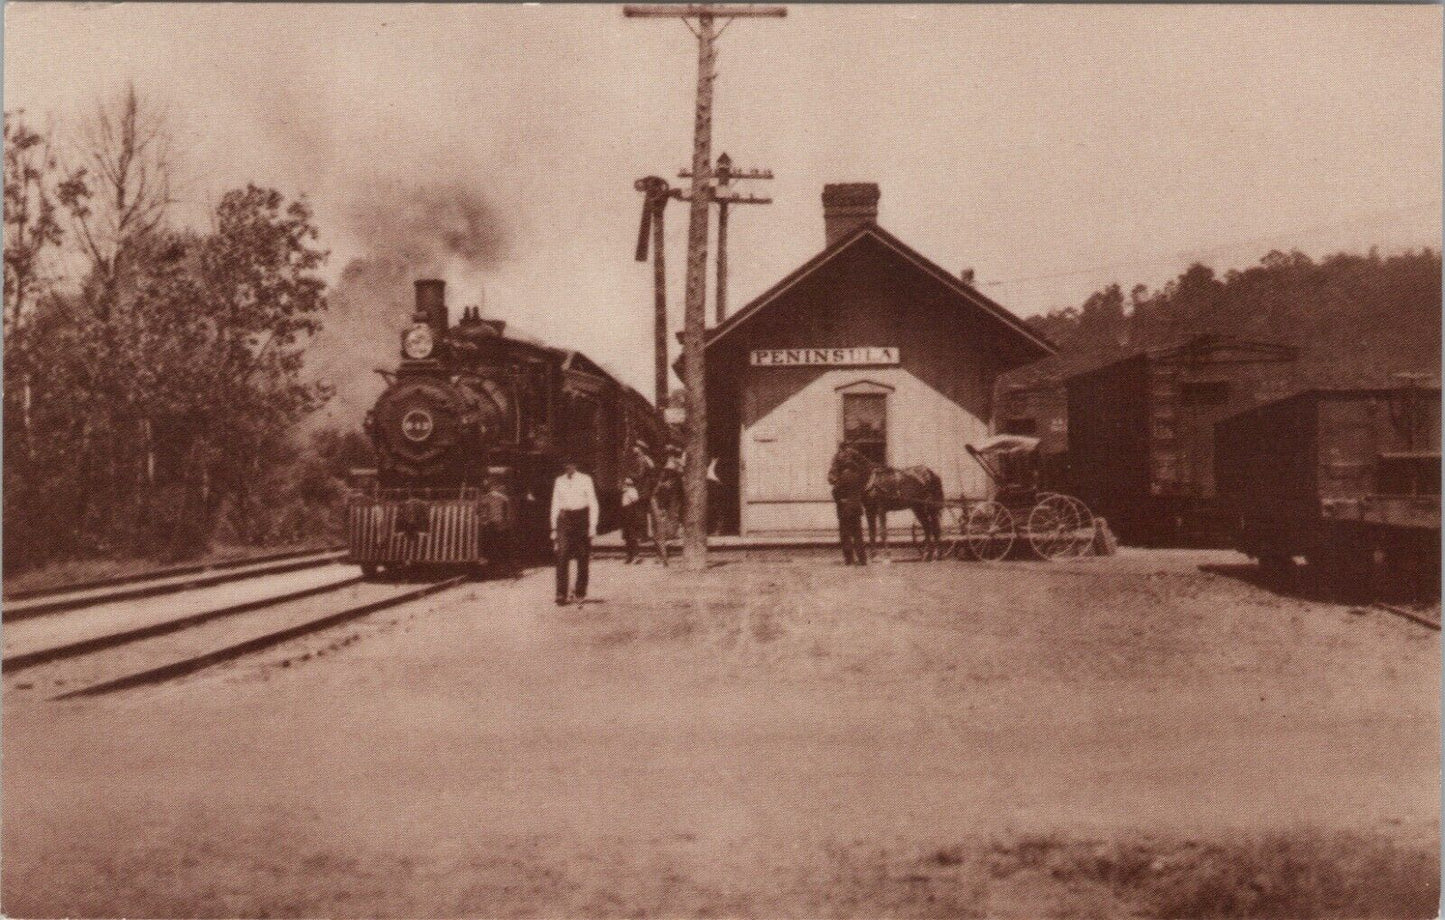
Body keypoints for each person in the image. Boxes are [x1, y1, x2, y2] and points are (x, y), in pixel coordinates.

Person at [550, 458, 599, 604]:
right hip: (564, 519)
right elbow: (555, 503)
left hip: (581, 519)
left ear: (575, 465)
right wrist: (553, 527)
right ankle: (561, 594)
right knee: (562, 555)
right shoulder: (559, 481)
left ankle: (580, 592)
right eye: (565, 464)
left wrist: (592, 526)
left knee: (582, 557)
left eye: (570, 464)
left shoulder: (585, 479)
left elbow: (593, 503)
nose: (568, 467)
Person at [828, 441, 870, 565]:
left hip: (844, 509)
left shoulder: (842, 478)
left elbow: (835, 492)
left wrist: (840, 500)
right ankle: (862, 559)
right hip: (857, 508)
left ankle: (849, 560)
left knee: (845, 534)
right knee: (858, 534)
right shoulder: (858, 477)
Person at [620, 476, 646, 564]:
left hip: (631, 512)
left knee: (632, 535)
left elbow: (635, 500)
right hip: (625, 512)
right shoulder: (624, 491)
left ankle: (635, 556)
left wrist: (627, 491)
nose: (625, 484)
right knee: (627, 536)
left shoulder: (632, 491)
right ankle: (629, 556)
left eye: (628, 482)